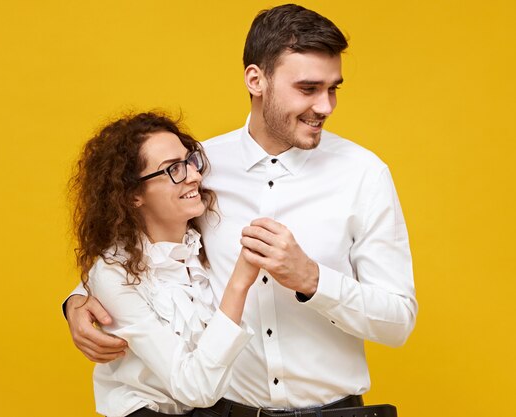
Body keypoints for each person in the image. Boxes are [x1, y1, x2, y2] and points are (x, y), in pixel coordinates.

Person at [65, 4, 418, 416]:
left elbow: (398, 323)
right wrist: (77, 301)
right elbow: (144, 248)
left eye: (333, 88)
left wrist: (312, 278)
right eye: (308, 89)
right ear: (256, 80)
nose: (326, 106)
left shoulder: (364, 174)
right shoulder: (197, 167)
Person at [69, 112, 260, 416]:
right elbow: (195, 388)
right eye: (173, 169)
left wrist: (74, 300)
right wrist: (240, 282)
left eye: (190, 161)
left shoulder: (205, 234)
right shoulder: (116, 274)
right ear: (133, 195)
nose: (194, 176)